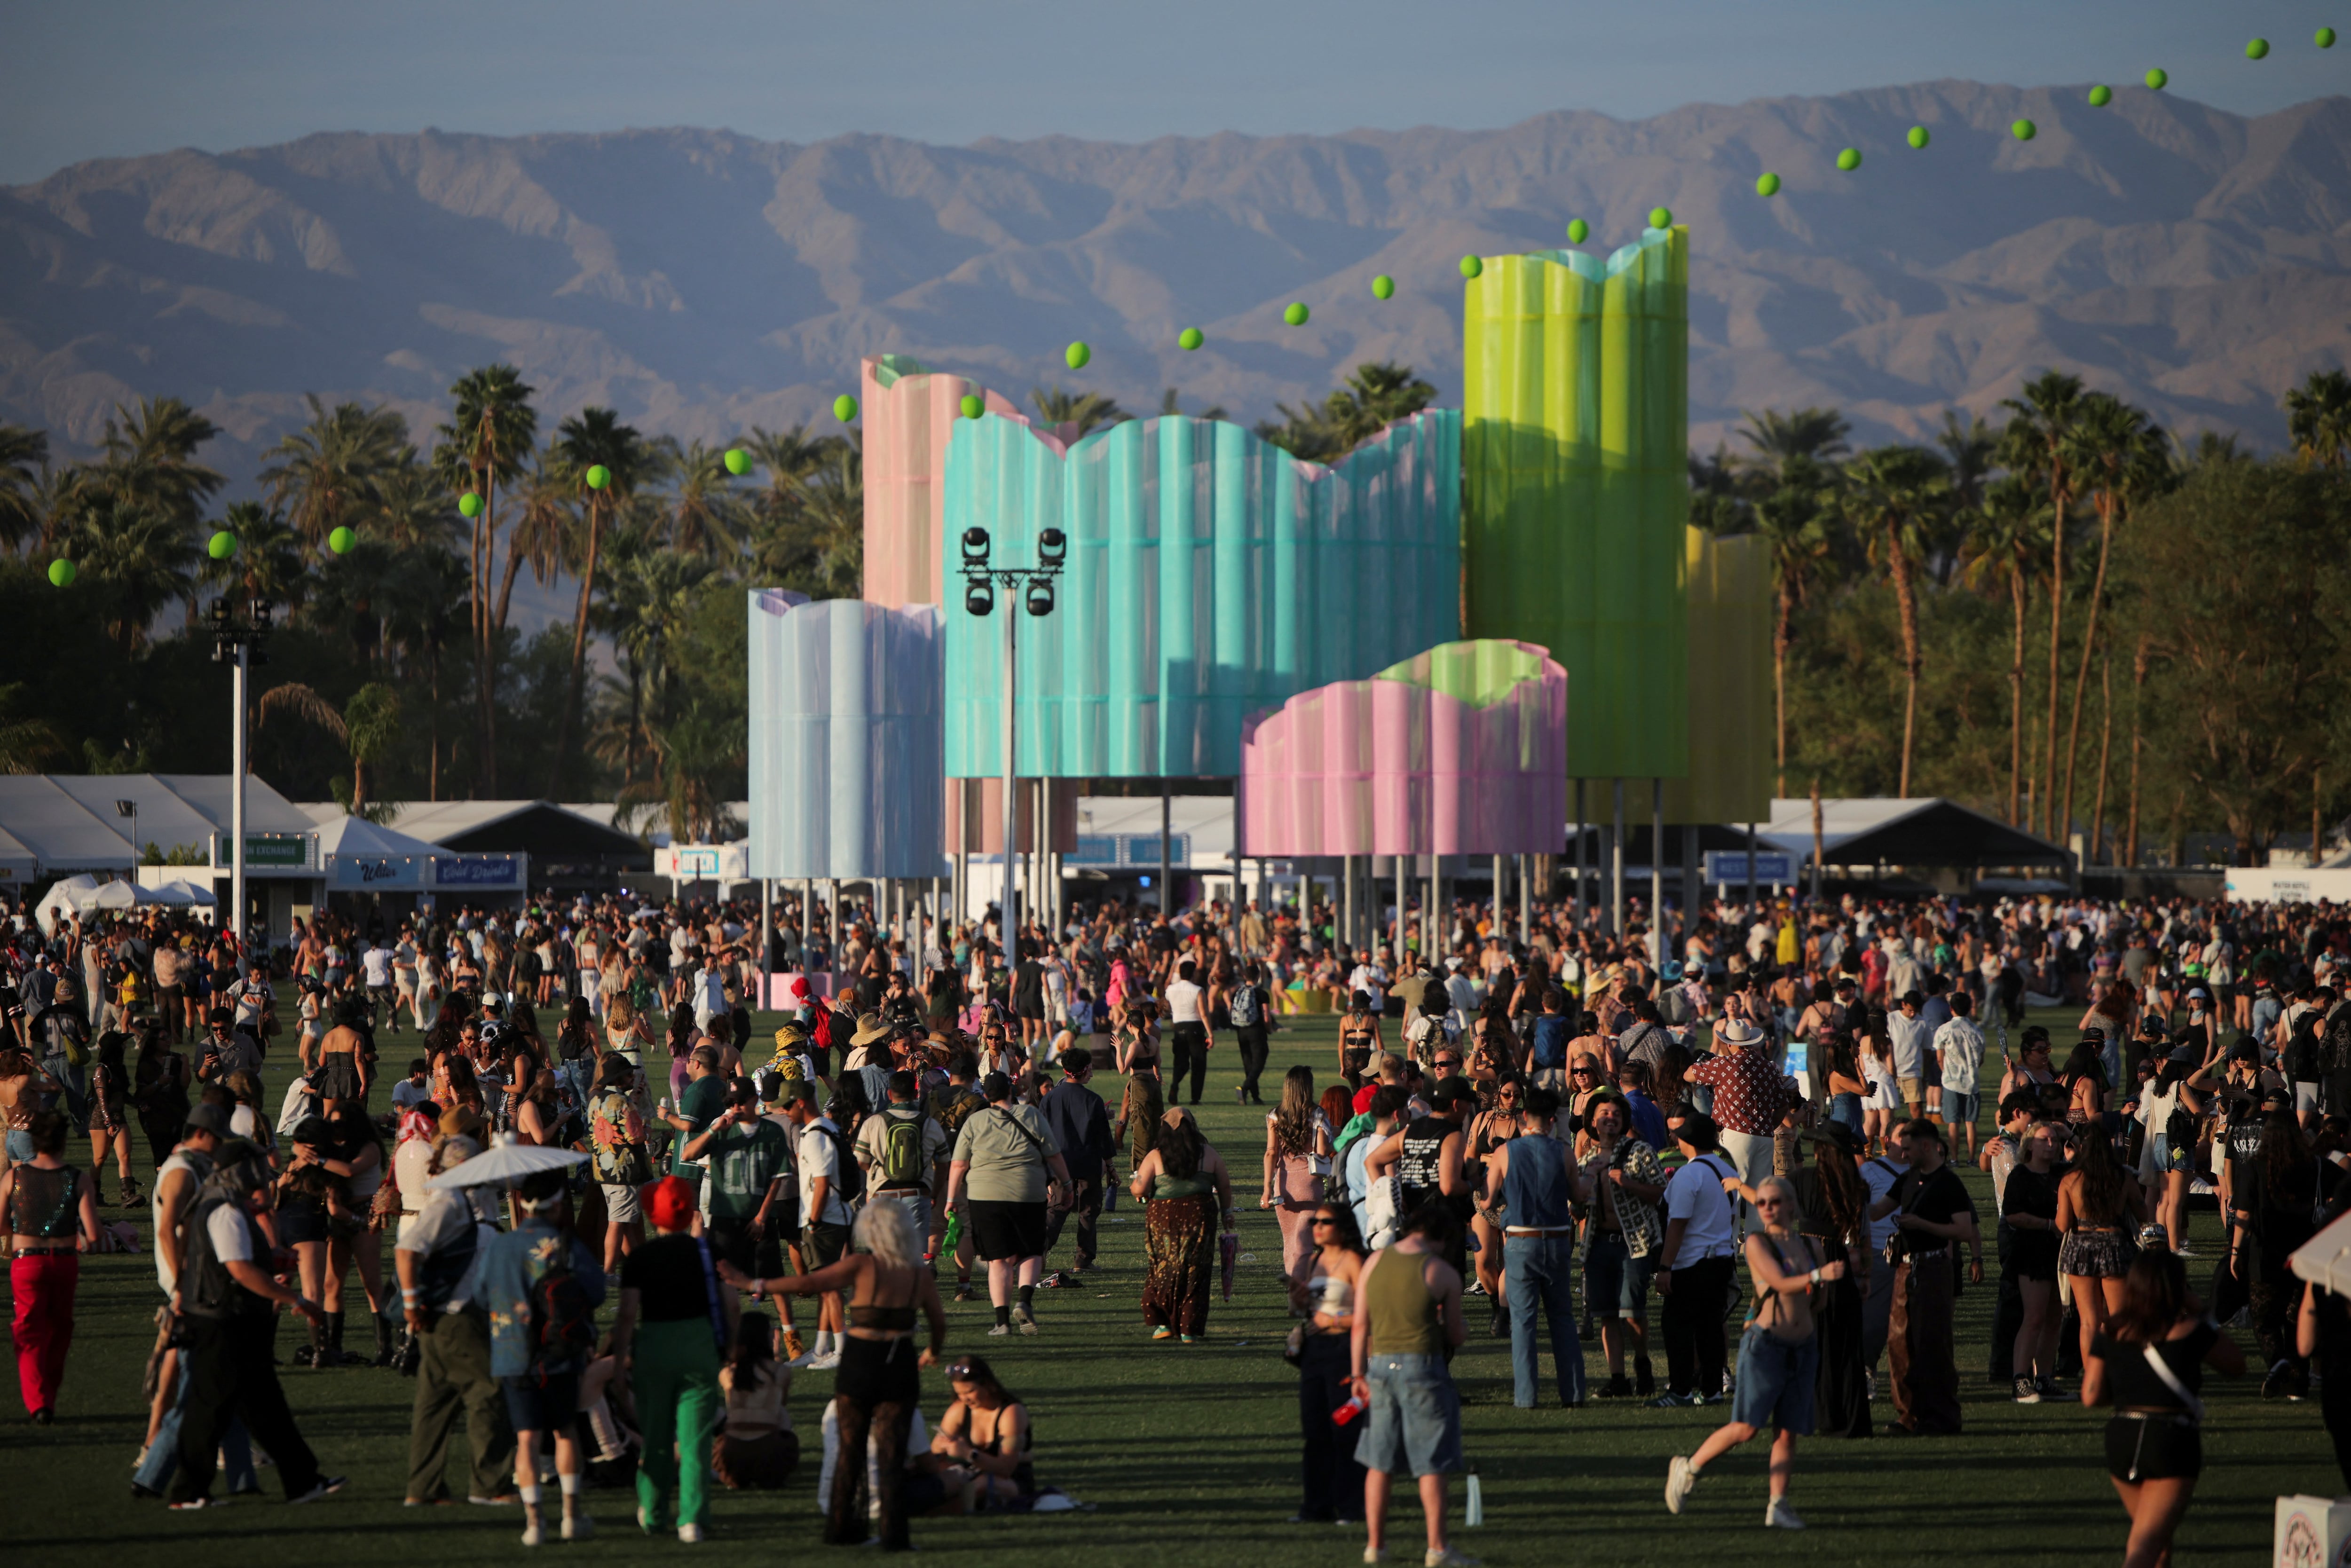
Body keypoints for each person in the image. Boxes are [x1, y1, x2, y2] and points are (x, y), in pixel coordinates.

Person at [722, 1198, 946, 1549]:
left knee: (850, 1449)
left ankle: (842, 1528)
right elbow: (938, 1320)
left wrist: (754, 1283)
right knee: (892, 1451)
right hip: (899, 1360)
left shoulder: (861, 1264)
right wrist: (932, 1349)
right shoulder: (916, 1272)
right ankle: (894, 1535)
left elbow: (810, 1283)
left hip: (860, 1360)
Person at [164, 1140, 346, 1508]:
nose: (264, 1174)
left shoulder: (224, 1203)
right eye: (257, 1166)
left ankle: (303, 1481)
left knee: (264, 1409)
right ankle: (187, 1492)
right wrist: (295, 1299)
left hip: (230, 1321)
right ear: (238, 1170)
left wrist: (275, 1258)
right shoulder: (226, 1210)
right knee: (211, 1410)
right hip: (225, 1324)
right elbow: (239, 1270)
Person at [1664, 1175, 1843, 1530]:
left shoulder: (1811, 1247)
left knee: (1789, 1431)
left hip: (1803, 1347)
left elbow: (1819, 1303)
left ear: (1791, 1205)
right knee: (1746, 1427)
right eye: (1761, 1203)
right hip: (1767, 1346)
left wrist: (1816, 1283)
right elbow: (1779, 1282)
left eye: (1775, 1201)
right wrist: (1819, 1275)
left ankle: (1778, 1504)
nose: (1768, 1208)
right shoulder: (1758, 1244)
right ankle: (1689, 1467)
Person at [2082, 1249, 2245, 1568]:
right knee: (2146, 1548)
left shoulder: (2111, 1329)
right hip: (2170, 1439)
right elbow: (2237, 1365)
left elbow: (2091, 1395)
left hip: (2123, 1437)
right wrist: (2203, 1313)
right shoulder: (2190, 1330)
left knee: (2156, 1543)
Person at [479, 1167, 607, 1545]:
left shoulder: (501, 1245)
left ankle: (534, 1522)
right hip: (559, 1350)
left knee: (527, 1439)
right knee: (565, 1431)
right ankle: (571, 1514)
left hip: (511, 1350)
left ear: (520, 1201)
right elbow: (596, 1292)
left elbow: (480, 1295)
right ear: (556, 1204)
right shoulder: (563, 1243)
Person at [613, 1174, 738, 1544]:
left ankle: (653, 1513)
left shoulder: (641, 1257)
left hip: (655, 1345)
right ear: (689, 1214)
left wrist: (620, 1361)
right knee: (696, 1438)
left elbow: (626, 1314)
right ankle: (692, 1519)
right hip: (699, 1346)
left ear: (652, 1215)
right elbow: (731, 1302)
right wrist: (729, 1350)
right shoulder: (706, 1252)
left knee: (656, 1437)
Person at [399, 1123, 518, 1507]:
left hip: (439, 1316)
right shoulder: (449, 1201)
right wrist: (412, 1302)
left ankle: (423, 1488)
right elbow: (407, 1251)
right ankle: (490, 1485)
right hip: (455, 1317)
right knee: (489, 1391)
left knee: (434, 1404)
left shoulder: (454, 1197)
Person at [1349, 1203, 1473, 1568]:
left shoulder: (1374, 1262)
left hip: (1379, 1366)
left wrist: (1358, 1374)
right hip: (1423, 1366)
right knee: (1431, 1461)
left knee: (1379, 1460)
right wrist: (1458, 1328)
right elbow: (1455, 1334)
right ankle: (1437, 1548)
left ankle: (1376, 1545)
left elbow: (1360, 1325)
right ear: (1440, 1237)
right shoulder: (1442, 1272)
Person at [1873, 1119, 1984, 1435]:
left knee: (1933, 1344)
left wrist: (1922, 1224)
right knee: (1898, 1344)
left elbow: (1963, 1230)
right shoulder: (1907, 1179)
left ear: (1926, 1146)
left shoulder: (1948, 1183)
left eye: (1908, 1148)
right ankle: (1908, 1414)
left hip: (1935, 1267)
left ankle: (1941, 1416)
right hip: (1905, 1268)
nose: (1903, 1154)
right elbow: (1877, 1210)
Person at [945, 1070, 1071, 1337]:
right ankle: (1024, 1300)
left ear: (986, 1095)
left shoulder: (974, 1121)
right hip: (1028, 1191)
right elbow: (1054, 1155)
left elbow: (958, 1164)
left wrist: (951, 1199)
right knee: (1031, 1252)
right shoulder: (1031, 1115)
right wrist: (1067, 1185)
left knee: (998, 1260)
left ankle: (1002, 1322)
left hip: (984, 1195)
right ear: (1010, 1091)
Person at [1481, 1083, 1583, 1408]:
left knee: (1523, 1322)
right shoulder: (1564, 1152)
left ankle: (1526, 1396)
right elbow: (1579, 1196)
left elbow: (1486, 1199)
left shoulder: (1505, 1152)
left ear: (1525, 1116)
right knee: (1562, 1319)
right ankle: (1574, 1393)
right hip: (1555, 1239)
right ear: (1553, 1120)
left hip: (1521, 1240)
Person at [2, 1109, 101, 1421]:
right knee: (60, 1328)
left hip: (26, 1262)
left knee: (29, 1331)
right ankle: (49, 1392)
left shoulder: (14, 1177)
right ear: (63, 1141)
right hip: (64, 1262)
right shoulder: (77, 1177)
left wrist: (20, 1229)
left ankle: (39, 1401)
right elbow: (94, 1235)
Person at [1653, 1113, 1741, 1408]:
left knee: (1676, 1326)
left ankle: (1681, 1389)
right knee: (1711, 1328)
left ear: (1686, 1141)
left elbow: (1677, 1225)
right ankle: (1713, 1389)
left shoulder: (1688, 1175)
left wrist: (1665, 1268)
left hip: (1693, 1263)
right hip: (1722, 1259)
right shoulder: (1723, 1169)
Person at [1288, 1202, 1366, 1525]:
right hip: (1316, 1351)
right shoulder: (1316, 1260)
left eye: (1325, 1221)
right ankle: (1315, 1506)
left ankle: (1351, 1507)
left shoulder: (1354, 1261)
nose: (1317, 1226)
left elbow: (1369, 1314)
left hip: (1344, 1350)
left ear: (1343, 1225)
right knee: (1315, 1429)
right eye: (1315, 1221)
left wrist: (1331, 1317)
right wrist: (1301, 1299)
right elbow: (1307, 1312)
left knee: (1345, 1429)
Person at [1131, 1106, 1234, 1342]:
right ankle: (1189, 1328)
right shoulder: (1208, 1153)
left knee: (1163, 1265)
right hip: (1200, 1214)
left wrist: (1138, 1187)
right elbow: (1225, 1186)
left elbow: (1139, 1187)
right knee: (1196, 1268)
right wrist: (1227, 1212)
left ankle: (1163, 1323)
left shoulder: (1156, 1155)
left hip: (1163, 1215)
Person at [2059, 1120, 2147, 1369]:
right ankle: (2119, 1371)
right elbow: (2142, 1213)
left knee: (2088, 1321)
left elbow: (2063, 1223)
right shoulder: (2123, 1176)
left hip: (2080, 1248)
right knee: (2118, 1317)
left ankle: (2092, 1376)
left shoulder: (2070, 1179)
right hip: (2115, 1246)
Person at [1037, 1048, 1113, 1285]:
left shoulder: (1050, 1098)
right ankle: (1083, 1260)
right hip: (1088, 1164)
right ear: (1086, 1069)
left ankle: (1038, 1251)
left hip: (1059, 1164)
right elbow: (1104, 1140)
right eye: (1090, 1067)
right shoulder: (1093, 1100)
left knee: (1057, 1209)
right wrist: (1110, 1167)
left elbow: (1040, 1133)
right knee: (1088, 1212)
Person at [2003, 1119, 2065, 1402]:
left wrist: (2068, 1133)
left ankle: (2045, 1378)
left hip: (2059, 1252)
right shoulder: (2020, 1176)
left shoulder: (2062, 1172)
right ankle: (2020, 1379)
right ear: (2030, 1144)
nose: (2051, 1144)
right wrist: (2050, 1225)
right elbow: (2013, 1215)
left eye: (2054, 1139)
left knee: (2054, 1319)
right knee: (2035, 1317)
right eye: (2044, 1139)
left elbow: (2090, 1159)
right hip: (2032, 1251)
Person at [712, 1310, 798, 1490]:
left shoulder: (728, 1374)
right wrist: (777, 1358)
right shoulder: (780, 1372)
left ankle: (736, 1476)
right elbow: (780, 1405)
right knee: (782, 1415)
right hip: (769, 1453)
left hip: (733, 1455)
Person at [1262, 1064, 1329, 1283]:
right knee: (1304, 1246)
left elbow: (1271, 1153)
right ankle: (1300, 1291)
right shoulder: (1318, 1114)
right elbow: (1322, 1152)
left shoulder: (1274, 1116)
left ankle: (1294, 1290)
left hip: (1283, 1185)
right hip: (1310, 1185)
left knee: (1290, 1243)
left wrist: (1266, 1190)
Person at [588, 1054, 653, 1274]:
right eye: (629, 1074)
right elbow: (635, 1138)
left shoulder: (595, 1100)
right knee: (617, 1223)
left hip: (603, 1169)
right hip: (624, 1171)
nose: (633, 1077)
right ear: (619, 1079)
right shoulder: (622, 1102)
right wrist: (646, 1132)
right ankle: (608, 1272)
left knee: (623, 1223)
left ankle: (639, 1267)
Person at [1164, 958, 1215, 1104]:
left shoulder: (1171, 990)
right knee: (1198, 1064)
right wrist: (1210, 1034)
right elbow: (1204, 1014)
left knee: (1180, 1062)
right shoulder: (1197, 990)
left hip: (1178, 1027)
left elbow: (1167, 1007)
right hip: (1195, 1028)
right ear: (1193, 973)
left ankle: (1175, 1084)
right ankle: (1195, 1097)